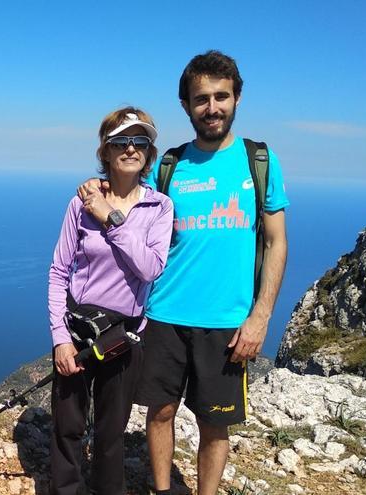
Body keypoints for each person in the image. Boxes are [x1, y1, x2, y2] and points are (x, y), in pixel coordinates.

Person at [78, 51, 289, 495]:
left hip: (228, 323)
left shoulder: (260, 161)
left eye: (221, 97)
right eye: (201, 99)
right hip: (164, 315)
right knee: (159, 412)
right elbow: (127, 187)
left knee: (215, 426)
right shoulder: (168, 165)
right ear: (186, 105)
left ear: (237, 98)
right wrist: (97, 187)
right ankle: (162, 490)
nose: (212, 108)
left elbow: (275, 242)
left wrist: (261, 316)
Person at [49, 107, 174, 495]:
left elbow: (150, 268)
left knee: (111, 433)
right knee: (67, 428)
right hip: (78, 328)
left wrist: (110, 217)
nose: (130, 148)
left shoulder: (159, 208)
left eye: (140, 141)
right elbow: (58, 272)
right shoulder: (79, 205)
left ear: (149, 153)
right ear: (105, 151)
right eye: (121, 141)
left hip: (124, 335)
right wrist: (59, 338)